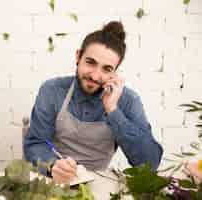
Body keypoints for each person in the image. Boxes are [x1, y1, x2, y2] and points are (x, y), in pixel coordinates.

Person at [24, 21, 163, 183]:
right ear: (78, 56)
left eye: (106, 69)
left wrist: (113, 111)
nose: (95, 76)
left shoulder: (128, 100)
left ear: (115, 72)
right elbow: (35, 143)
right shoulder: (52, 90)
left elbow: (149, 164)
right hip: (54, 178)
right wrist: (52, 165)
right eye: (91, 62)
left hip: (98, 182)